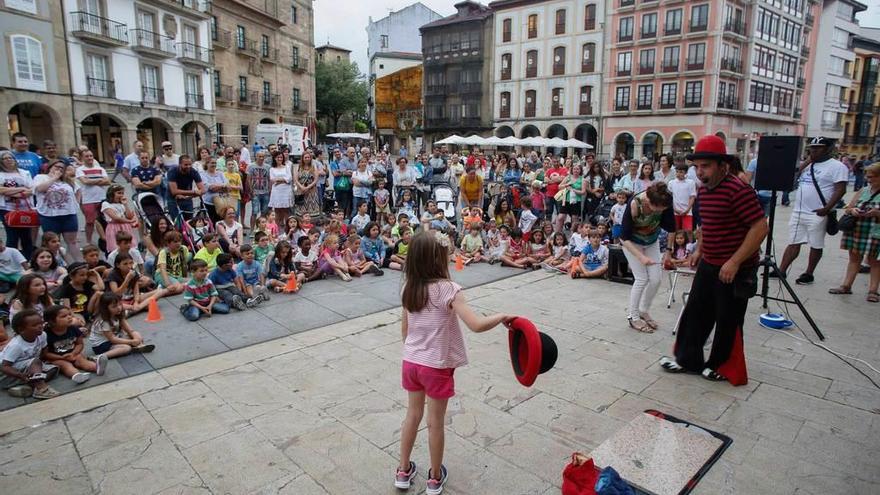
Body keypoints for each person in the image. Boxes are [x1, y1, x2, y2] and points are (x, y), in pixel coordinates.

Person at [394, 231, 513, 494]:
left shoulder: (408, 288)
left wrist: (418, 350)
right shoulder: (449, 290)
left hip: (411, 362)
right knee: (435, 422)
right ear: (438, 259)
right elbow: (476, 325)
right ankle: (434, 477)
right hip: (436, 366)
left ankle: (403, 470)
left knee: (412, 415)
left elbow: (405, 332)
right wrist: (502, 315)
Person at [660, 135, 767, 386]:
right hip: (711, 260)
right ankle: (688, 359)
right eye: (698, 166)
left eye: (705, 166)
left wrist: (735, 262)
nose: (700, 172)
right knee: (695, 311)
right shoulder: (705, 190)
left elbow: (760, 227)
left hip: (735, 266)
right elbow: (708, 224)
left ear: (723, 166)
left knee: (728, 318)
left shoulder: (738, 190)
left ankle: (721, 365)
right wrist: (700, 250)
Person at [777, 137, 849, 285]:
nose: (814, 150)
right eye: (812, 148)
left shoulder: (837, 167)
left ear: (828, 149)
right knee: (793, 241)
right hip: (799, 210)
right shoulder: (808, 165)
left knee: (816, 244)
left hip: (818, 211)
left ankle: (809, 273)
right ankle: (782, 270)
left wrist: (827, 208)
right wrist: (807, 162)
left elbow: (840, 189)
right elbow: (793, 176)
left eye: (818, 148)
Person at [619, 182, 676, 332]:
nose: (661, 211)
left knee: (656, 279)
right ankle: (633, 316)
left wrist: (669, 251)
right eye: (659, 209)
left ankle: (644, 310)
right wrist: (640, 257)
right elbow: (623, 238)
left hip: (651, 241)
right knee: (642, 278)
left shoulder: (664, 202)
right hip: (632, 243)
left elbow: (672, 228)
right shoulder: (634, 204)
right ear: (650, 202)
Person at [829, 162, 880, 301]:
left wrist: (876, 213)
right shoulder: (863, 191)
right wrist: (853, 211)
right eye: (868, 177)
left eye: (873, 177)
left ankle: (873, 291)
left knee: (874, 261)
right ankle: (846, 285)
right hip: (858, 228)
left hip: (876, 231)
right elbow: (848, 208)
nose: (869, 180)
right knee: (854, 258)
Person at [0, 309, 59, 399]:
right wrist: (21, 375)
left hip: (27, 367)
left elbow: (44, 351)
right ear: (21, 330)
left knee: (53, 369)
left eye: (41, 323)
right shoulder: (16, 345)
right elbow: (4, 367)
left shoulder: (42, 335)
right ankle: (41, 389)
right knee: (35, 362)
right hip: (6, 374)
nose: (40, 326)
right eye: (35, 325)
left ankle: (27, 387)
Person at [41, 305, 104, 385]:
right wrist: (61, 357)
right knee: (65, 365)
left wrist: (73, 353)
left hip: (72, 353)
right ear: (52, 321)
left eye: (69, 314)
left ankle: (97, 367)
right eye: (64, 316)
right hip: (56, 358)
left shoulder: (73, 328)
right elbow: (45, 354)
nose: (69, 317)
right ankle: (76, 375)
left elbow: (79, 344)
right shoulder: (46, 334)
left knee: (81, 359)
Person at [33, 161, 81, 261]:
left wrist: (76, 204)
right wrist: (54, 178)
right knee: (52, 242)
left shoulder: (67, 181)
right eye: (57, 166)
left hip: (68, 215)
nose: (59, 169)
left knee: (72, 241)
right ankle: (53, 263)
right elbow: (40, 189)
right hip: (49, 215)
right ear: (50, 167)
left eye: (62, 168)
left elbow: (78, 190)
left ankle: (78, 263)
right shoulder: (40, 177)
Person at [89, 292, 155, 358]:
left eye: (120, 304)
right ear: (105, 308)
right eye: (114, 306)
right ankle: (99, 357)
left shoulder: (118, 314)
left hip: (115, 337)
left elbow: (129, 329)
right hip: (102, 345)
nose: (119, 308)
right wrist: (131, 342)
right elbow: (112, 339)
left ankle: (140, 346)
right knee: (126, 348)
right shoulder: (104, 321)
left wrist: (135, 337)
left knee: (136, 334)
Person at [0, 149, 36, 259]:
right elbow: (1, 190)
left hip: (25, 209)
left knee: (26, 236)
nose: (8, 160)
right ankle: (10, 260)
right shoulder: (0, 174)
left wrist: (12, 192)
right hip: (7, 208)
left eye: (10, 158)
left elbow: (31, 189)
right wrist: (20, 189)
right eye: (5, 158)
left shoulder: (24, 173)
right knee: (12, 236)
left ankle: (28, 259)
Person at [75, 149, 111, 245]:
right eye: (87, 156)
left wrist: (91, 181)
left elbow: (108, 181)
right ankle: (89, 242)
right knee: (90, 222)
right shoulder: (79, 170)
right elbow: (85, 182)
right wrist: (99, 180)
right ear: (82, 158)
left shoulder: (101, 169)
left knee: (104, 220)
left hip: (101, 198)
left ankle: (106, 240)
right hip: (88, 199)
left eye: (91, 156)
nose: (90, 158)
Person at [167, 155, 204, 221]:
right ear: (180, 164)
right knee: (177, 222)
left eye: (190, 164)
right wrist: (193, 192)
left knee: (189, 221)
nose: (188, 166)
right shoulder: (173, 171)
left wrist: (191, 196)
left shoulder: (193, 171)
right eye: (186, 165)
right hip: (173, 199)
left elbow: (202, 190)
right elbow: (174, 191)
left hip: (187, 198)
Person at [294, 151, 322, 218]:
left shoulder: (313, 167)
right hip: (301, 191)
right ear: (302, 158)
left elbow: (315, 179)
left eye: (308, 157)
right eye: (305, 157)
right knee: (301, 210)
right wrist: (301, 187)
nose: (307, 159)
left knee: (311, 210)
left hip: (312, 191)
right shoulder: (298, 167)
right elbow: (295, 179)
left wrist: (308, 187)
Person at [668, 165, 697, 231]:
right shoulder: (671, 183)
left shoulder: (691, 182)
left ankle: (690, 241)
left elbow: (692, 197)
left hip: (687, 211)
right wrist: (674, 209)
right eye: (677, 172)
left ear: (685, 173)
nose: (678, 174)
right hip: (675, 211)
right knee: (675, 230)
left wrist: (687, 210)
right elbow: (669, 197)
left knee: (688, 230)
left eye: (681, 172)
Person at [247, 150, 271, 227]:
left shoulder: (268, 167)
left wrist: (269, 190)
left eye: (263, 157)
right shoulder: (251, 166)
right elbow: (249, 179)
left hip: (265, 192)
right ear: (256, 156)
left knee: (264, 212)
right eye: (259, 156)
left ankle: (262, 228)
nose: (261, 158)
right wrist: (251, 191)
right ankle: (252, 230)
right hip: (255, 193)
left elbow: (269, 179)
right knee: (254, 212)